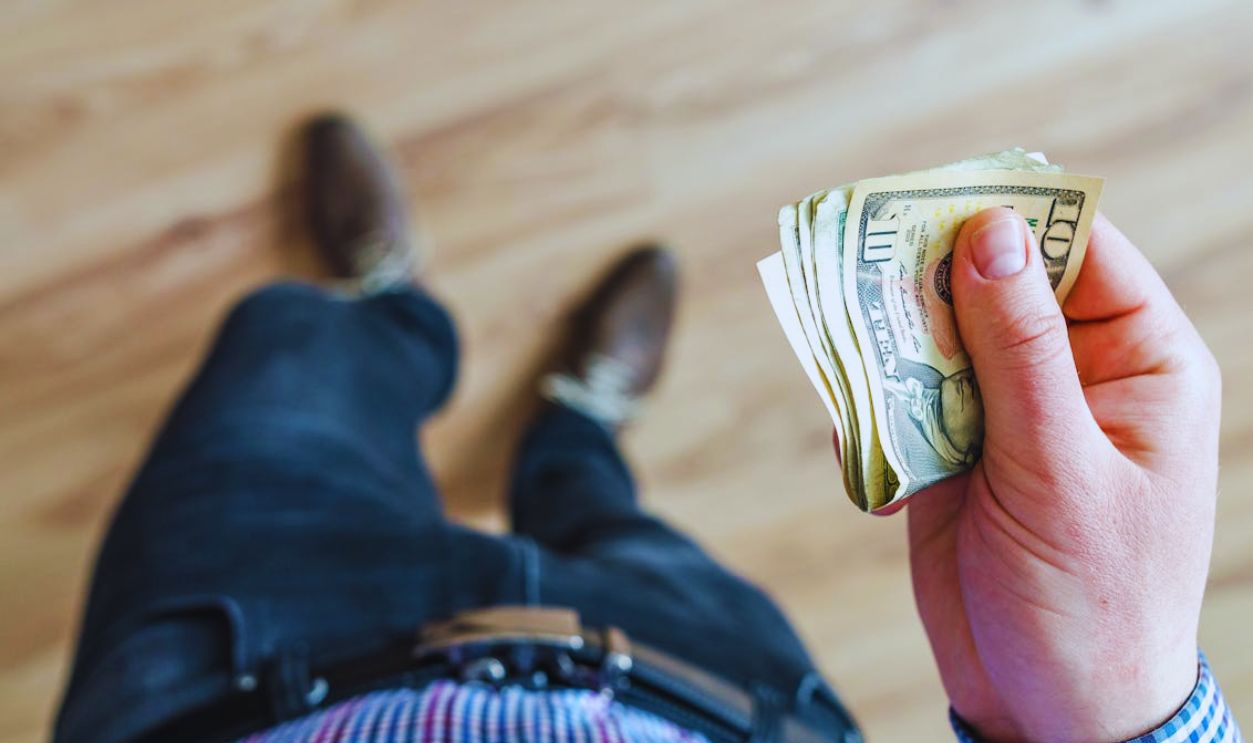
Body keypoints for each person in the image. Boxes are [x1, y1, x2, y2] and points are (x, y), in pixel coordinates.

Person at [50, 113, 1240, 743]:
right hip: (714, 688)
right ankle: (573, 421)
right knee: (602, 508)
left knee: (281, 348)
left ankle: (390, 312)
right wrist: (1109, 709)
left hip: (230, 674)